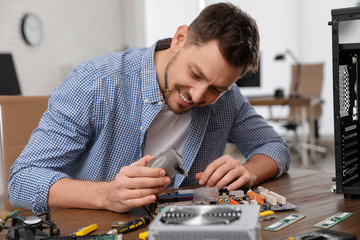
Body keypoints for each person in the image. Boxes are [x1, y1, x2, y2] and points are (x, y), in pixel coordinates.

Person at [8, 2, 290, 214]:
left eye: (215, 88)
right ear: (180, 39)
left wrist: (248, 172)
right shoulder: (95, 83)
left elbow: (274, 147)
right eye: (195, 73)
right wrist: (107, 195)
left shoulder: (228, 99)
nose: (197, 95)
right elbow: (22, 180)